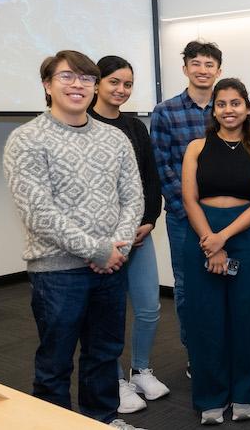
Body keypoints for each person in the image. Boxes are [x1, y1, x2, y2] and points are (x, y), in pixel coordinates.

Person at [3, 50, 144, 430]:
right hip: (57, 273)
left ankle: (103, 420)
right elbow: (38, 213)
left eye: (85, 78)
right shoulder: (27, 139)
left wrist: (118, 248)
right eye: (67, 77)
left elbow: (133, 198)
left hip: (110, 268)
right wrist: (99, 249)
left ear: (94, 86)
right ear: (47, 86)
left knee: (104, 355)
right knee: (55, 362)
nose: (77, 84)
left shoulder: (114, 139)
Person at [180, 78, 250, 425]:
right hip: (202, 232)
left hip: (245, 235)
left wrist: (224, 237)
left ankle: (246, 394)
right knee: (206, 320)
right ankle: (210, 398)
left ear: (247, 108)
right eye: (222, 104)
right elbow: (189, 198)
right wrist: (210, 239)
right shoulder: (197, 147)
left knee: (247, 320)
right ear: (213, 109)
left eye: (235, 103)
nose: (228, 110)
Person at [88, 56, 169, 414]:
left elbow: (151, 179)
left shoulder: (135, 127)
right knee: (109, 312)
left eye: (128, 84)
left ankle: (140, 369)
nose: (121, 90)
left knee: (150, 309)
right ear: (96, 84)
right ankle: (115, 379)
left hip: (139, 233)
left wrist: (150, 219)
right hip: (103, 239)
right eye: (114, 82)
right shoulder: (83, 124)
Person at [150, 41, 222, 377]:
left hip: (225, 217)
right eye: (196, 63)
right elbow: (163, 166)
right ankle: (196, 352)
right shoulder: (165, 111)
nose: (203, 69)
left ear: (218, 70)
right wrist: (190, 211)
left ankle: (223, 346)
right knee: (187, 286)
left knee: (224, 281)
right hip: (182, 218)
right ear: (185, 69)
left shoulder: (227, 107)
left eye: (209, 64)